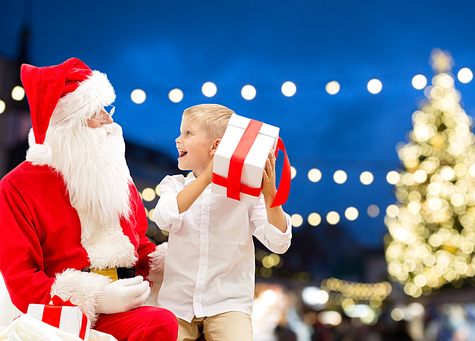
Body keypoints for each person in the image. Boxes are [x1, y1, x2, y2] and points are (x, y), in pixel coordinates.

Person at [0, 58, 178, 341]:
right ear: (68, 123)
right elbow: (23, 282)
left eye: (107, 110)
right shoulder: (17, 187)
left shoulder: (116, 177)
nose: (109, 120)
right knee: (161, 324)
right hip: (63, 317)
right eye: (97, 112)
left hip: (129, 305)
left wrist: (172, 261)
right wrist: (97, 298)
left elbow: (138, 243)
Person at [153, 104, 292, 341]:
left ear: (215, 147)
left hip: (228, 303)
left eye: (188, 133)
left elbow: (279, 243)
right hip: (176, 304)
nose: (178, 139)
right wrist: (208, 177)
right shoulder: (173, 185)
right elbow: (164, 218)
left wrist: (270, 196)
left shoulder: (246, 194)